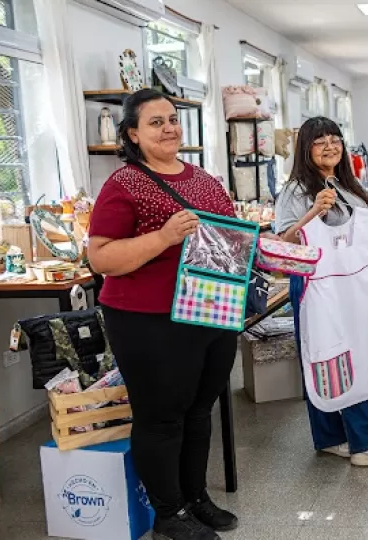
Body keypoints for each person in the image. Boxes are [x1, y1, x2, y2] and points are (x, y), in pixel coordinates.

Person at [88, 89, 238, 540]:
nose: (170, 128)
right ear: (133, 133)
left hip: (210, 311)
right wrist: (164, 236)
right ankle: (167, 513)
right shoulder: (124, 184)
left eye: (173, 119)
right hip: (148, 320)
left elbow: (228, 237)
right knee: (161, 416)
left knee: (198, 411)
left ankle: (195, 498)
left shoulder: (204, 179)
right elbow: (101, 258)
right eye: (156, 122)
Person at [274, 116, 368, 469]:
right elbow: (282, 243)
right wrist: (312, 213)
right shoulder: (295, 192)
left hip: (352, 284)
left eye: (335, 139)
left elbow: (364, 238)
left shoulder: (350, 186)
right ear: (306, 148)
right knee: (334, 354)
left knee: (348, 353)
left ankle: (332, 437)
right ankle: (366, 444)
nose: (330, 145)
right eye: (320, 141)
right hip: (317, 284)